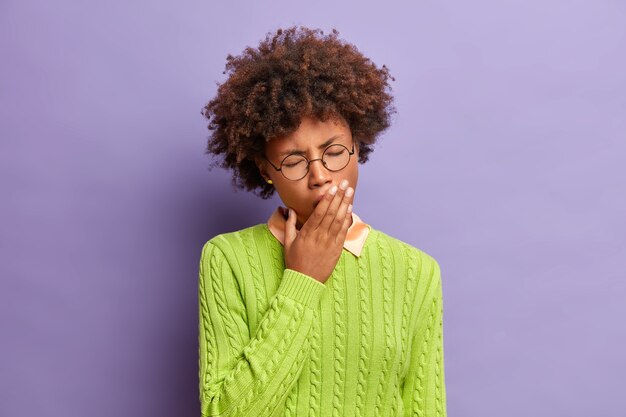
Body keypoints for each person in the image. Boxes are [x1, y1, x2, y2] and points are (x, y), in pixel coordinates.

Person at [198, 26, 447, 417]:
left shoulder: (416, 271)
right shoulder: (226, 259)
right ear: (266, 170)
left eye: (333, 152)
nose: (319, 175)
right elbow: (225, 411)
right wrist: (302, 281)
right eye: (295, 161)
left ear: (357, 147)